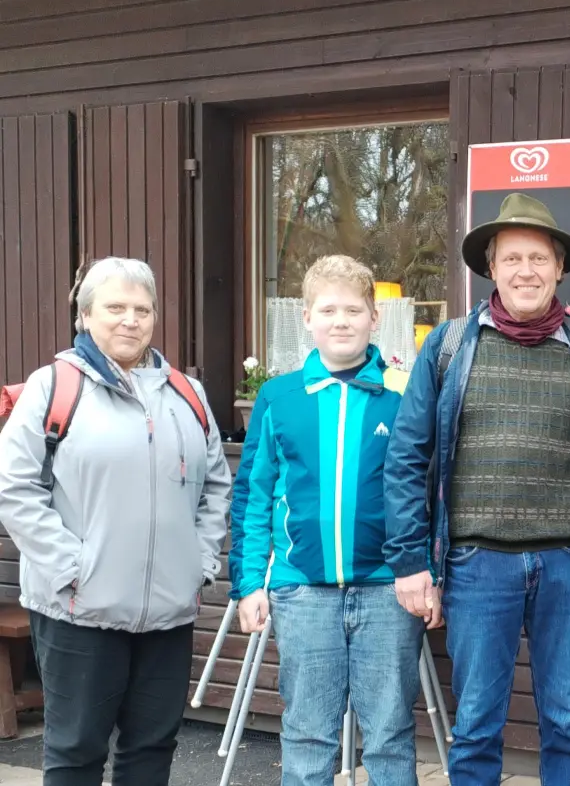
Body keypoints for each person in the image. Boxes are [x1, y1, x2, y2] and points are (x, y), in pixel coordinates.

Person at [384, 193, 570, 786]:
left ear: (560, 268)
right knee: (477, 725)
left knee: (568, 722)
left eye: (538, 258)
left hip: (569, 564)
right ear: (492, 268)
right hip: (476, 563)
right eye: (512, 258)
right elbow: (407, 458)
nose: (526, 271)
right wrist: (411, 563)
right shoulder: (448, 346)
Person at [0, 257, 231, 786]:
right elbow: (14, 487)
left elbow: (216, 483)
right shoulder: (52, 387)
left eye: (142, 309)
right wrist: (71, 568)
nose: (130, 319)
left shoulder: (187, 395)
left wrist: (197, 562)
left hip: (168, 613)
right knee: (76, 751)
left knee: (152, 747)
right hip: (79, 609)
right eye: (115, 308)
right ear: (85, 315)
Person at [230, 255, 421, 786]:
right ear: (308, 318)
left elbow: (429, 493)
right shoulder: (280, 396)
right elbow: (253, 492)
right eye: (328, 309)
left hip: (388, 591)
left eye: (353, 310)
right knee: (309, 732)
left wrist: (427, 572)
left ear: (374, 319)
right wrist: (249, 583)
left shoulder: (402, 393)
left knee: (389, 732)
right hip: (302, 592)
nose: (341, 320)